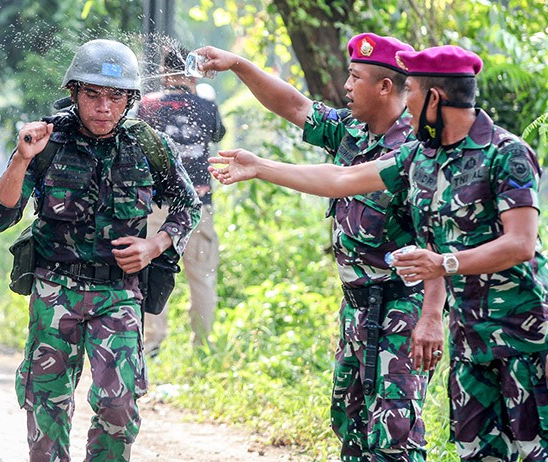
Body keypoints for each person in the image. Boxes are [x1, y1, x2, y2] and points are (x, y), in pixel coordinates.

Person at [208, 45, 548, 460]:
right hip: (467, 334)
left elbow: (521, 243)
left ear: (433, 99)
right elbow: (339, 179)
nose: (407, 104)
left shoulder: (506, 153)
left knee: (530, 450)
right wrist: (261, 167)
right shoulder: (419, 156)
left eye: (413, 94)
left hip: (523, 333)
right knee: (476, 451)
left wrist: (442, 271)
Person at [198, 34, 447, 461]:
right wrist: (238, 64)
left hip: (401, 304)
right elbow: (295, 106)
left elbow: (439, 239)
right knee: (350, 424)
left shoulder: (416, 149)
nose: (346, 86)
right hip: (355, 305)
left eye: (355, 78)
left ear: (386, 87)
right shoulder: (351, 129)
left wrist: (431, 316)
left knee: (395, 436)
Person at [0, 39, 201, 461]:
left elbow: (188, 204)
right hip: (55, 290)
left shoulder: (148, 145)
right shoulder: (46, 143)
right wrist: (21, 160)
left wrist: (155, 244)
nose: (104, 107)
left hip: (119, 293)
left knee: (118, 408)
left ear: (131, 100)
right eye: (93, 95)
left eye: (115, 97)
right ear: (74, 94)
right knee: (47, 405)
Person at [137, 48, 226, 354]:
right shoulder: (206, 105)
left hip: (156, 204)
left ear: (164, 72)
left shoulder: (147, 106)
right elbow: (217, 134)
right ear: (191, 72)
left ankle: (152, 343)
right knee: (201, 276)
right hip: (198, 202)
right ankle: (202, 345)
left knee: (150, 267)